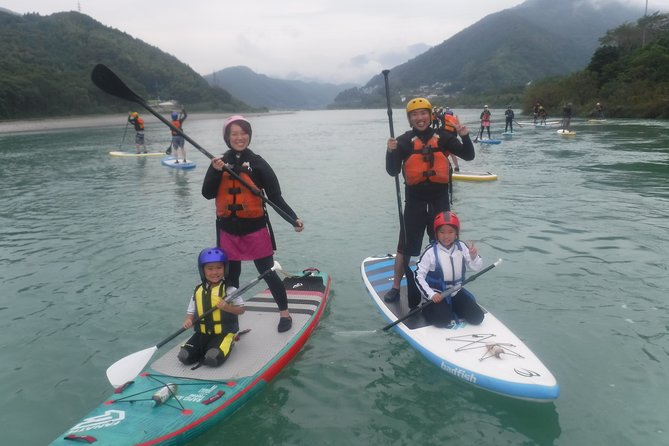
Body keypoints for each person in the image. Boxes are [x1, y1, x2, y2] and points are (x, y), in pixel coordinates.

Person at [202, 115, 304, 333]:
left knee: (267, 272)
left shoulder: (258, 163)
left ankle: (285, 313)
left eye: (243, 133)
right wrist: (214, 171)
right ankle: (231, 321)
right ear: (227, 138)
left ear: (249, 135)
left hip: (255, 229)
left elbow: (275, 196)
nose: (240, 138)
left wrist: (292, 218)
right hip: (228, 231)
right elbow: (207, 194)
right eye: (234, 134)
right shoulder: (219, 162)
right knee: (231, 277)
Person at [384, 97, 475, 308]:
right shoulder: (404, 141)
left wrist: (465, 137)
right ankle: (396, 286)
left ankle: (446, 284)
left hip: (439, 201)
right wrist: (390, 151)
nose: (420, 118)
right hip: (414, 202)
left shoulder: (443, 138)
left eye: (423, 113)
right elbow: (392, 171)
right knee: (404, 248)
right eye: (414, 115)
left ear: (430, 115)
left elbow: (468, 155)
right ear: (410, 119)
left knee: (445, 244)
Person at [414, 211, 484, 327]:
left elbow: (476, 267)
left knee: (477, 318)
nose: (446, 236)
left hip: (456, 291)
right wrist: (431, 294)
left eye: (451, 232)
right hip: (438, 295)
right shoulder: (430, 252)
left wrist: (473, 257)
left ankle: (453, 307)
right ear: (436, 233)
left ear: (456, 233)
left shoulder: (462, 247)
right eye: (442, 232)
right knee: (442, 321)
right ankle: (426, 309)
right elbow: (418, 275)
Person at [178, 247, 245, 367]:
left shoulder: (230, 289)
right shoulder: (197, 290)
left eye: (219, 268)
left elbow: (241, 310)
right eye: (210, 268)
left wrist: (227, 307)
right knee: (184, 356)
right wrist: (188, 320)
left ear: (225, 268)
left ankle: (229, 342)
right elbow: (191, 312)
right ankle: (205, 347)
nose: (215, 272)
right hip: (202, 333)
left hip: (224, 332)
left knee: (212, 358)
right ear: (202, 270)